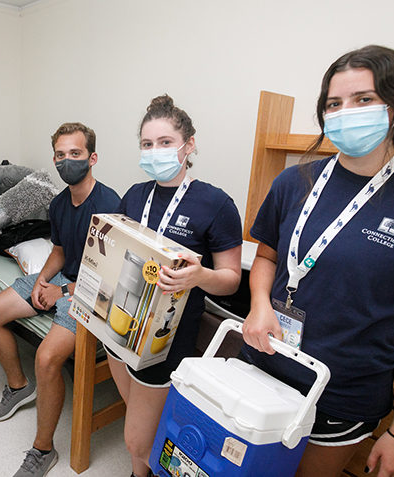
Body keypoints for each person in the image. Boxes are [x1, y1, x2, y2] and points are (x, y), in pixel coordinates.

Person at [242, 45, 394, 477]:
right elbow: (268, 256)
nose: (345, 112)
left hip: (342, 393)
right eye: (334, 103)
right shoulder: (294, 181)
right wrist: (258, 304)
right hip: (264, 364)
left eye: (363, 99)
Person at [108, 95, 243, 477]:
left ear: (190, 144)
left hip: (167, 335)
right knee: (137, 411)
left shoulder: (216, 204)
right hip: (121, 322)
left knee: (135, 439)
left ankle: (141, 469)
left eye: (165, 143)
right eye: (147, 145)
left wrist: (200, 276)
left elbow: (231, 281)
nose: (155, 152)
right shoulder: (135, 195)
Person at [0, 122, 120, 477]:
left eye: (76, 154)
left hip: (95, 290)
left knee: (46, 358)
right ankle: (18, 386)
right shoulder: (59, 203)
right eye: (61, 154)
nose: (67, 160)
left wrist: (63, 292)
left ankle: (43, 450)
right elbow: (57, 250)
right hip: (61, 277)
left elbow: (110, 274)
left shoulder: (109, 205)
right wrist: (42, 280)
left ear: (92, 158)